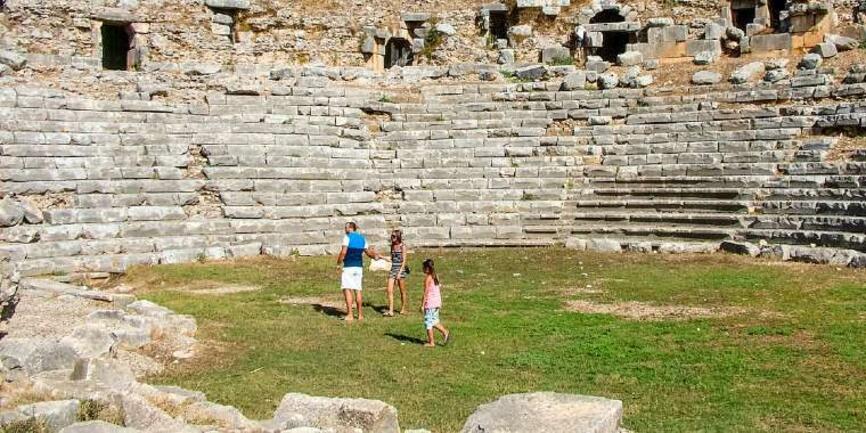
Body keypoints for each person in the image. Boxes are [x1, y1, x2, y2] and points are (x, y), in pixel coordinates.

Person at [337, 222, 381, 322]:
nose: (345, 229)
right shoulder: (362, 238)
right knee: (358, 289)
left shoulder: (347, 237)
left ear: (350, 228)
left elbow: (344, 252)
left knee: (347, 289)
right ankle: (360, 315)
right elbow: (368, 252)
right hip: (359, 267)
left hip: (349, 266)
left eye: (346, 228)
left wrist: (338, 263)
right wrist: (375, 256)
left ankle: (350, 315)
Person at [421, 259, 450, 347]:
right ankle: (445, 332)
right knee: (434, 321)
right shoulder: (435, 276)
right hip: (437, 302)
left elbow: (425, 292)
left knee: (428, 323)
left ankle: (431, 342)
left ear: (427, 269)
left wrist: (422, 305)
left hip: (430, 303)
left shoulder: (428, 278)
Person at [384, 229, 409, 317]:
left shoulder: (403, 246)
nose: (392, 238)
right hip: (393, 269)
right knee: (389, 290)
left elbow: (404, 260)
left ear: (398, 237)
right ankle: (391, 311)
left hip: (400, 269)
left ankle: (403, 308)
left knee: (402, 290)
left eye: (393, 236)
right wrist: (381, 257)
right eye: (391, 236)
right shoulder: (392, 246)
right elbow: (391, 258)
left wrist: (400, 272)